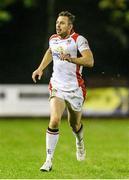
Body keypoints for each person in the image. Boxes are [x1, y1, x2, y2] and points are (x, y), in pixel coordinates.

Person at [32, 11, 94, 172]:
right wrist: (40, 69)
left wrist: (71, 58)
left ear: (70, 26)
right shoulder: (53, 39)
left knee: (74, 124)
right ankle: (48, 160)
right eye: (57, 22)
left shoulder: (79, 40)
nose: (58, 25)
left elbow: (89, 61)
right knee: (54, 120)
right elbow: (50, 51)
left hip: (75, 88)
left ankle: (80, 143)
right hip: (57, 86)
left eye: (62, 23)